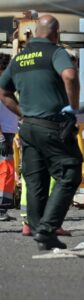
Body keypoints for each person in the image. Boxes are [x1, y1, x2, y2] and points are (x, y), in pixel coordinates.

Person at [0, 15, 82, 250]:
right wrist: (73, 108)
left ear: (35, 33)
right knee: (70, 172)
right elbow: (69, 75)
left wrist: (21, 113)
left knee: (36, 180)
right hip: (52, 125)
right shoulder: (55, 52)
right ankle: (47, 228)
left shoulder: (20, 58)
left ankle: (40, 232)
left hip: (28, 127)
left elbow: (3, 92)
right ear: (56, 34)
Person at [0, 53, 16, 222]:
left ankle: (3, 207)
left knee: (7, 170)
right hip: (4, 133)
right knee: (5, 170)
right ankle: (1, 208)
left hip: (8, 131)